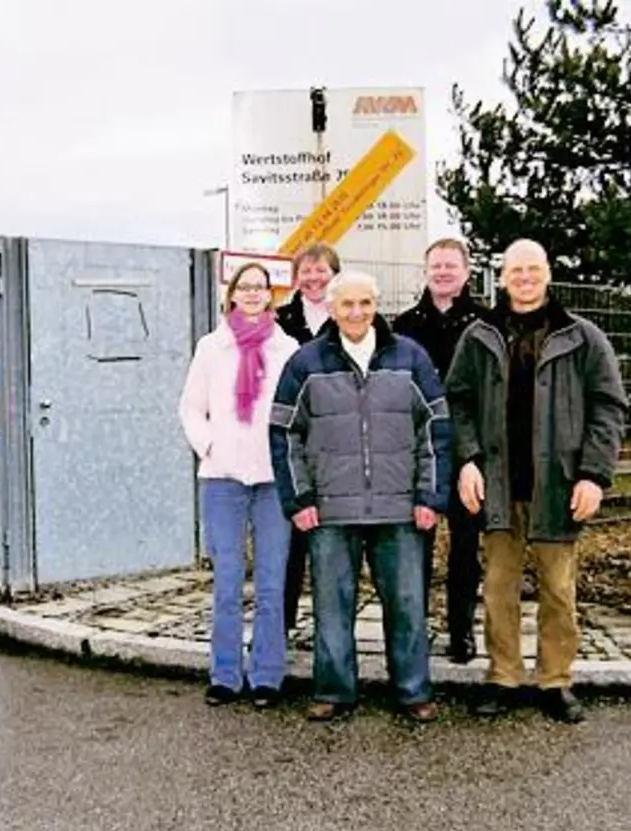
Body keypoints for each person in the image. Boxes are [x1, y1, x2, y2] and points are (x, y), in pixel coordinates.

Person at [447, 239, 629, 724]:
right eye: (515, 270)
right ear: (501, 277)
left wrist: (594, 475)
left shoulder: (583, 337)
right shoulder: (479, 335)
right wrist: (467, 460)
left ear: (548, 273)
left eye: (533, 269)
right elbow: (457, 402)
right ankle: (503, 676)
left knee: (558, 589)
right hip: (499, 487)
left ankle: (555, 681)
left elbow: (608, 410)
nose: (524, 278)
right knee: (498, 588)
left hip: (559, 487)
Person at [269, 270, 453, 723]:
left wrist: (430, 496)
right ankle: (334, 690)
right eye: (347, 304)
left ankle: (413, 691)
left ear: (377, 306)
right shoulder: (305, 362)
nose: (356, 313)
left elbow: (437, 429)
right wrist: (300, 499)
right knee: (332, 605)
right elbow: (284, 433)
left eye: (365, 304)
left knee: (408, 603)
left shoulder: (410, 357)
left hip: (400, 508)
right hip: (330, 509)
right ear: (332, 308)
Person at [179, 262, 301, 708]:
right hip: (222, 479)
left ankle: (267, 674)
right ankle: (225, 674)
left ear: (271, 296)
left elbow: (297, 410)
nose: (252, 294)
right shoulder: (212, 347)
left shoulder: (287, 349)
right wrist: (209, 446)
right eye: (244, 287)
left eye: (260, 288)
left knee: (272, 581)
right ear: (231, 295)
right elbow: (190, 408)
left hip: (271, 481)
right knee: (227, 580)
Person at [391, 237, 487, 664]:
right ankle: (415, 629)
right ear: (426, 271)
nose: (443, 272)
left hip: (469, 451)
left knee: (466, 548)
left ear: (467, 272)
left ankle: (462, 631)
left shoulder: (487, 323)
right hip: (419, 452)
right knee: (416, 547)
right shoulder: (403, 326)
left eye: (452, 265)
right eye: (436, 266)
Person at [273, 242, 342, 636]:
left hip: (336, 446)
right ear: (296, 277)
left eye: (322, 271)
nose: (314, 278)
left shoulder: (349, 318)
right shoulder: (280, 321)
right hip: (294, 440)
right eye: (307, 271)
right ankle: (280, 629)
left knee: (331, 548)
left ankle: (329, 632)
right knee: (289, 548)